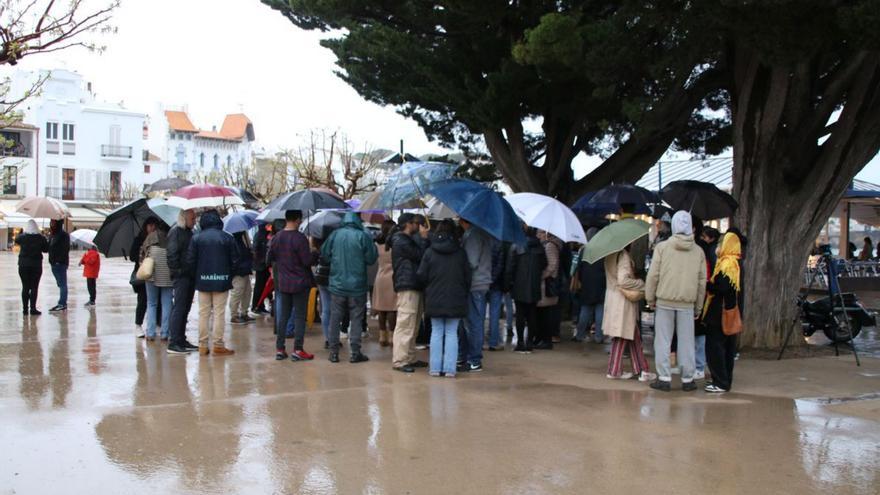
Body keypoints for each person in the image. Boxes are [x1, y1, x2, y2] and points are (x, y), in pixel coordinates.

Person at [645, 211, 707, 392]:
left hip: (664, 300)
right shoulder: (698, 252)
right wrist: (699, 306)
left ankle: (664, 378)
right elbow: (701, 282)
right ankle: (688, 379)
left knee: (663, 341)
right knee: (687, 342)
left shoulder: (662, 248)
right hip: (687, 304)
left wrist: (650, 298)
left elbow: (653, 276)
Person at [321, 211, 378, 364]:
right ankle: (355, 352)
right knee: (357, 318)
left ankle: (333, 352)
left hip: (337, 284)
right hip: (357, 285)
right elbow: (372, 258)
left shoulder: (335, 235)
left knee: (335, 318)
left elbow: (324, 255)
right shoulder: (363, 236)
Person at [418, 219, 471, 377]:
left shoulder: (429, 251)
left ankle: (435, 368)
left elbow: (421, 275)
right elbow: (468, 277)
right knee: (451, 333)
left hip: (434, 297)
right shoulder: (460, 252)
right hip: (455, 298)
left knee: (436, 332)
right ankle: (449, 369)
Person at [186, 209, 239, 356]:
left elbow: (190, 261)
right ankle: (218, 344)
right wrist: (228, 275)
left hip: (203, 281)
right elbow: (235, 261)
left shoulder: (196, 238)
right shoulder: (227, 238)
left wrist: (196, 276)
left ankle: (202, 345)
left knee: (203, 313)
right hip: (221, 281)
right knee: (219, 313)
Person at [268, 210, 317, 361]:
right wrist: (314, 253)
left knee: (283, 316)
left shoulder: (277, 237)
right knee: (299, 316)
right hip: (300, 283)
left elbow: (269, 258)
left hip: (283, 282)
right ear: (297, 220)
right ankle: (298, 349)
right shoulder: (300, 238)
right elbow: (307, 261)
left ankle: (280, 348)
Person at [604, 244, 653, 380]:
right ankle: (614, 370)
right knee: (622, 334)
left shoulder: (610, 254)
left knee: (631, 333)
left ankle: (642, 369)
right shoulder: (623, 256)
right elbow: (623, 280)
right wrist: (641, 284)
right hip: (623, 301)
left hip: (613, 297)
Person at [702, 232, 743, 393]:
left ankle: (720, 382)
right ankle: (724, 380)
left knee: (715, 348)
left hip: (719, 314)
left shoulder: (727, 264)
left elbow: (723, 288)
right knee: (726, 349)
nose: (718, 247)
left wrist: (708, 285)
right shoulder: (734, 262)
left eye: (721, 244)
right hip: (727, 312)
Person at [390, 213, 429, 373]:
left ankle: (409, 357)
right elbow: (421, 255)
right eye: (416, 223)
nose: (418, 225)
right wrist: (424, 238)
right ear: (408, 224)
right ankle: (400, 360)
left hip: (413, 284)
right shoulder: (401, 241)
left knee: (413, 324)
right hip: (407, 285)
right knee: (405, 323)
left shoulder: (407, 240)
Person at [458, 217, 493, 372]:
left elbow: (471, 262)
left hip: (475, 284)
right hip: (479, 283)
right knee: (472, 322)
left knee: (474, 322)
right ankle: (469, 357)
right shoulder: (480, 233)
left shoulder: (473, 235)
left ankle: (474, 359)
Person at [505, 227, 547, 353]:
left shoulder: (516, 246)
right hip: (534, 285)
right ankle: (529, 342)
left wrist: (507, 285)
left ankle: (520, 342)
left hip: (519, 285)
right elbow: (544, 264)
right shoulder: (540, 248)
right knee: (532, 314)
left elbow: (509, 268)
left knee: (520, 315)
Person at [166, 209, 199, 355]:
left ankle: (181, 339)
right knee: (179, 308)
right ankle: (174, 342)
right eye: (192, 219)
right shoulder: (176, 232)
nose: (195, 221)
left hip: (189, 275)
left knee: (185, 308)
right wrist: (178, 271)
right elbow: (172, 254)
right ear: (184, 218)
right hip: (181, 276)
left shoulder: (189, 232)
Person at [140, 226, 174, 342]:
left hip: (151, 275)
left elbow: (142, 255)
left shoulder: (150, 238)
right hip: (167, 275)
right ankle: (165, 333)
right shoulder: (172, 236)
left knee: (151, 303)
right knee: (167, 303)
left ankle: (150, 333)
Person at [572, 228, 606, 343]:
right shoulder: (604, 250)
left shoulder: (584, 250)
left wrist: (581, 280)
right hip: (601, 282)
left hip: (587, 282)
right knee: (600, 310)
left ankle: (580, 335)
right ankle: (598, 336)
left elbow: (579, 267)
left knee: (585, 310)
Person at [130, 218, 158, 338]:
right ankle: (138, 325)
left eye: (154, 226)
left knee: (156, 300)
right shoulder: (139, 239)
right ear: (145, 226)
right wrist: (141, 254)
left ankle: (156, 324)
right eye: (150, 225)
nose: (152, 228)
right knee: (142, 300)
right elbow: (132, 256)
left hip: (157, 273)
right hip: (143, 273)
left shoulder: (158, 239)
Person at [534, 231, 562, 350]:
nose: (537, 234)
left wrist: (541, 275)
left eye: (540, 232)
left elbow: (552, 265)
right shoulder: (546, 245)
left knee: (545, 314)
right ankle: (543, 339)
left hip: (547, 284)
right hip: (545, 284)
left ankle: (546, 340)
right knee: (543, 313)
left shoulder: (550, 246)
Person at [372, 220, 398, 347]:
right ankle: (393, 337)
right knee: (392, 309)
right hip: (392, 278)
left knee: (381, 309)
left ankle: (382, 336)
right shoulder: (395, 244)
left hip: (380, 276)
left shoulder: (377, 243)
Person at [15, 219, 48, 315]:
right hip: (36, 265)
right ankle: (33, 308)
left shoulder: (22, 237)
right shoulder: (41, 238)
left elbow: (16, 240)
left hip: (23, 265)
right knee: (34, 287)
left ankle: (25, 309)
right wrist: (43, 237)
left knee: (25, 287)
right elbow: (46, 250)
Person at [487, 240, 513, 350]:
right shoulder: (500, 244)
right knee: (494, 314)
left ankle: (479, 343)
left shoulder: (482, 240)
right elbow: (501, 265)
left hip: (481, 281)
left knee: (479, 314)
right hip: (496, 284)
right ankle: (493, 342)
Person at [229, 231, 254, 324]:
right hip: (240, 270)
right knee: (237, 292)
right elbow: (236, 257)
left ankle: (244, 312)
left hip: (245, 269)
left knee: (247, 292)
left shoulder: (242, 239)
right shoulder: (235, 240)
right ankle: (234, 315)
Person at [47, 218, 70, 312]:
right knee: (60, 283)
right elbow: (48, 247)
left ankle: (62, 303)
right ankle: (62, 303)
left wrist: (58, 261)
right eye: (51, 222)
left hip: (59, 263)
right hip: (54, 263)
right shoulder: (53, 234)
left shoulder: (63, 235)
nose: (51, 224)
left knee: (62, 284)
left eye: (53, 222)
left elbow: (65, 249)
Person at [251, 224, 272, 314]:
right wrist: (263, 261)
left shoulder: (263, 234)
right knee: (259, 287)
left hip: (264, 265)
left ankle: (260, 306)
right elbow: (256, 250)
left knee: (263, 287)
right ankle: (256, 306)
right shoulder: (260, 235)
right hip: (261, 266)